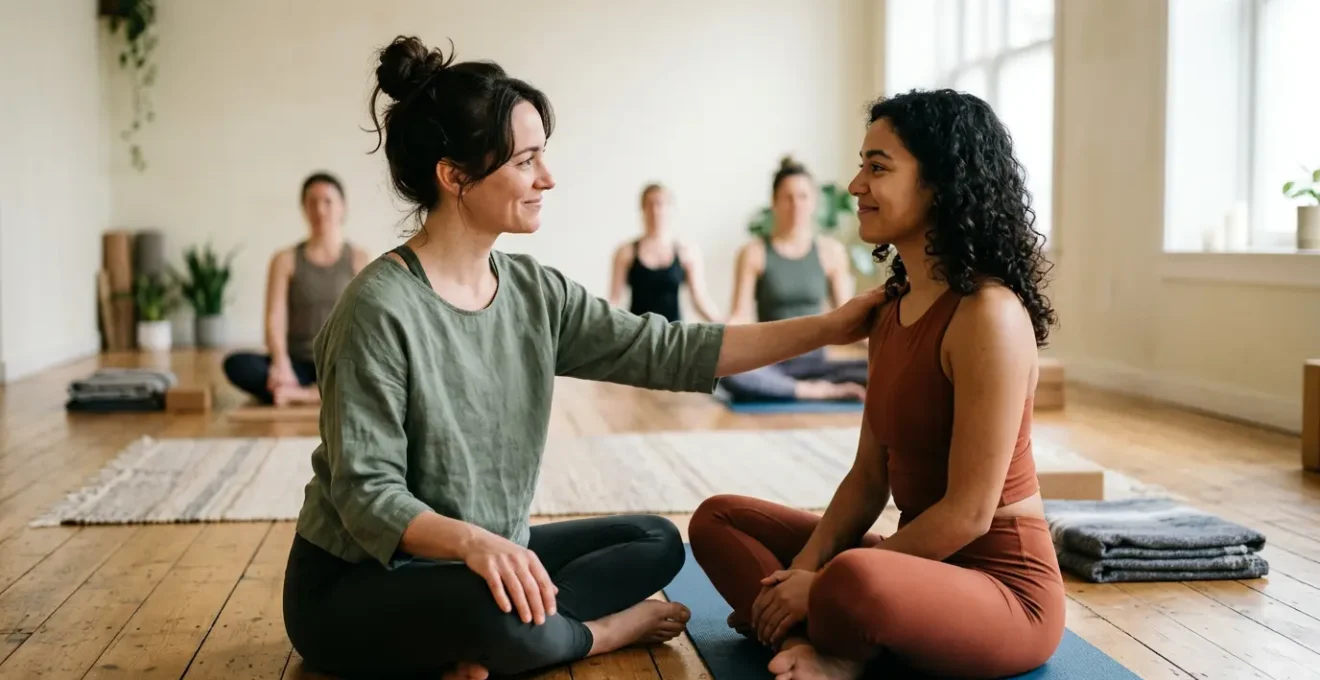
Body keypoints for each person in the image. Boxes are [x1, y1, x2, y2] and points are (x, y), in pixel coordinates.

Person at [281, 36, 886, 680]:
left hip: (483, 562)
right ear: (454, 175)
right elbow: (366, 495)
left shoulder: (534, 292)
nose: (548, 178)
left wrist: (834, 325)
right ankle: (590, 635)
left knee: (654, 541)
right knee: (493, 610)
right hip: (355, 584)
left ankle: (492, 644)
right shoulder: (377, 308)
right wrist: (476, 544)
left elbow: (670, 348)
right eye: (526, 160)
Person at [689, 89, 1062, 680]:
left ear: (940, 182)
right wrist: (805, 573)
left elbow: (969, 515)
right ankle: (829, 637)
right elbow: (868, 478)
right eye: (862, 165)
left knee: (855, 579)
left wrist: (825, 583)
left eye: (878, 167)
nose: (856, 185)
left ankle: (839, 646)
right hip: (909, 570)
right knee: (718, 519)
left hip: (1004, 591)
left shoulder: (989, 314)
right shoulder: (887, 312)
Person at [718, 157, 868, 402]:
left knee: (882, 369)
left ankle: (793, 388)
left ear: (814, 202)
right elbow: (740, 314)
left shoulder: (831, 252)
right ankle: (812, 391)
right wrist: (719, 344)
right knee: (731, 375)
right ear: (774, 202)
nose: (796, 205)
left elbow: (847, 318)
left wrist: (884, 351)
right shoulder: (754, 253)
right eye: (787, 197)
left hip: (817, 364)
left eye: (803, 196)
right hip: (771, 363)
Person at [222, 172, 371, 406]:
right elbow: (274, 318)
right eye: (312, 203)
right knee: (237, 365)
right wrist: (281, 363)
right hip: (297, 365)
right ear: (304, 209)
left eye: (328, 202)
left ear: (342, 207)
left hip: (341, 363)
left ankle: (299, 395)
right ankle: (318, 393)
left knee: (378, 373)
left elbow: (367, 322)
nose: (320, 210)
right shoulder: (285, 259)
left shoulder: (359, 259)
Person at [607, 183, 722, 322]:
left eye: (661, 204)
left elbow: (699, 299)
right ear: (642, 209)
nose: (655, 210)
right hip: (638, 335)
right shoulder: (626, 252)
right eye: (650, 205)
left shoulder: (686, 252)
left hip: (674, 335)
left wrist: (726, 326)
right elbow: (614, 299)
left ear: (670, 208)